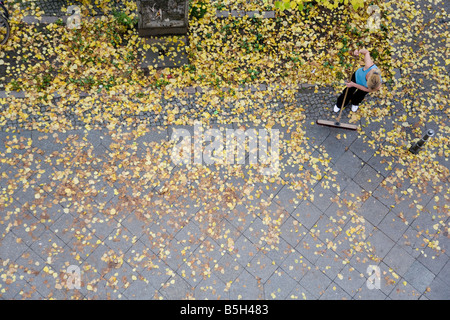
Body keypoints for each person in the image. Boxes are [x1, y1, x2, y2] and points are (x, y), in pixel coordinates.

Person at [334, 48, 382, 113]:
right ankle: (340, 104)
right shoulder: (368, 65)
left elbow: (367, 89)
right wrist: (358, 51)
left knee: (360, 95)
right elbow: (366, 52)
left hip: (358, 85)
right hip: (356, 78)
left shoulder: (377, 84)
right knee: (348, 91)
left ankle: (355, 102)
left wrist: (354, 85)